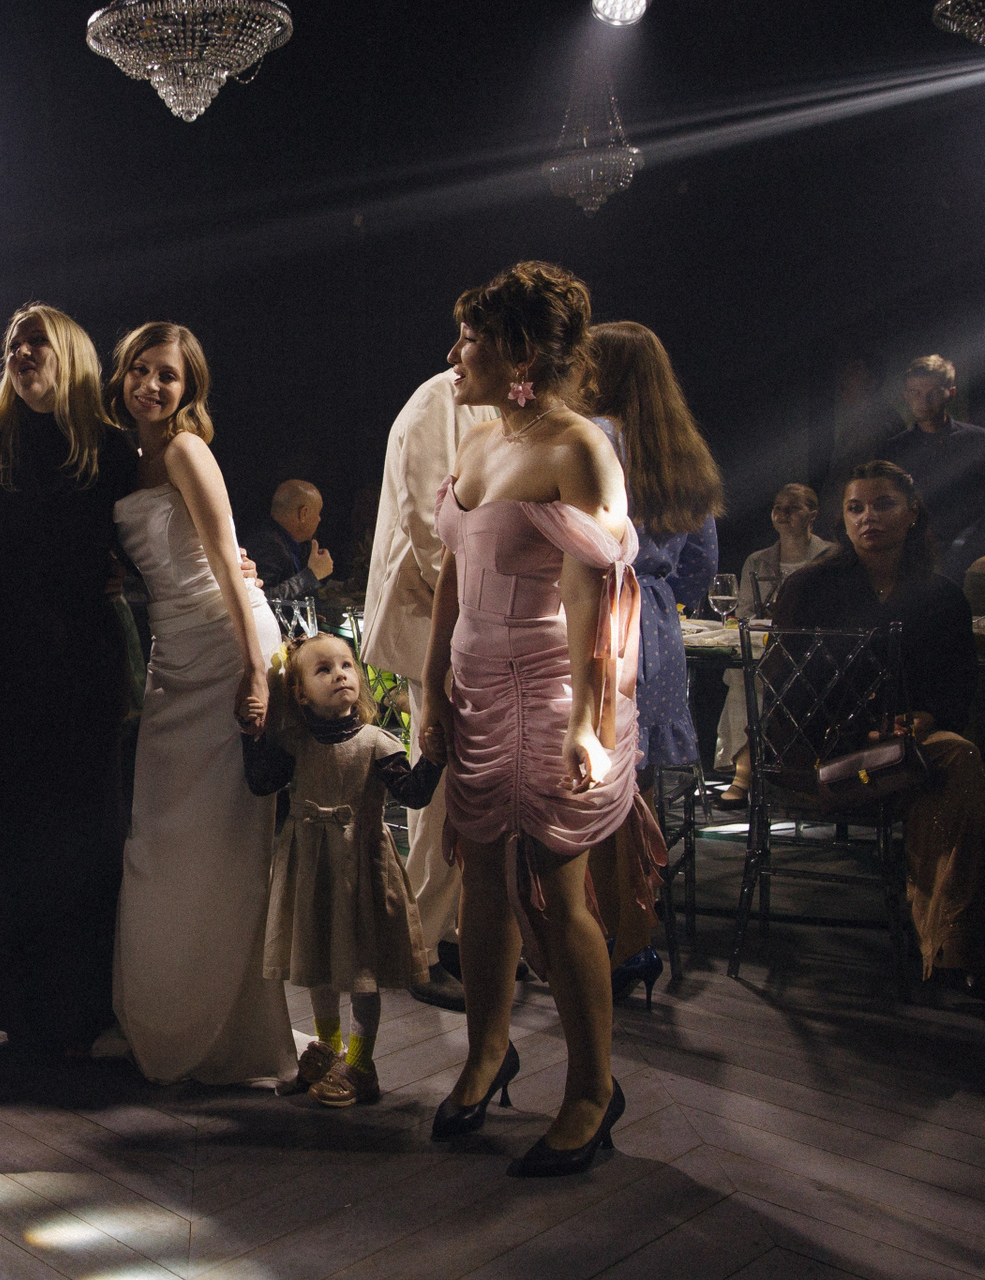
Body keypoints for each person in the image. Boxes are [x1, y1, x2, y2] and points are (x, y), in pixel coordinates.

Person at [415, 262, 665, 1178]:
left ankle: (593, 1089)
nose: (454, 356)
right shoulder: (482, 443)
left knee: (560, 894)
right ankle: (490, 1051)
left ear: (518, 352)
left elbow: (596, 595)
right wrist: (433, 683)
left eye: (470, 340)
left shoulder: (578, 448)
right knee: (480, 879)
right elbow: (453, 567)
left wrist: (588, 723)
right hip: (478, 688)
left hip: (551, 692)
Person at [0, 304, 138, 1061]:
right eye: (13, 343)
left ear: (71, 355)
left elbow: (149, 545)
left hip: (82, 656)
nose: (21, 353)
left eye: (37, 342)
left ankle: (71, 1009)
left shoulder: (110, 451)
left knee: (80, 833)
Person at [110, 321, 296, 1086]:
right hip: (171, 656)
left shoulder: (188, 450)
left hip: (225, 648)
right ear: (121, 376)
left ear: (189, 390)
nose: (152, 386)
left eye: (168, 376)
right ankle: (159, 1016)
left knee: (224, 846)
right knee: (157, 837)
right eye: (141, 370)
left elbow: (225, 557)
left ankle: (229, 1036)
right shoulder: (122, 461)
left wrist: (256, 673)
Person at [773, 460, 982, 987]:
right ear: (842, 521)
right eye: (856, 507)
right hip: (827, 759)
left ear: (912, 514)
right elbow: (785, 691)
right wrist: (860, 730)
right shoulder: (809, 588)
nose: (869, 517)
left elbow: (958, 687)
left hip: (908, 754)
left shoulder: (941, 596)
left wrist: (925, 717)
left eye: (883, 504)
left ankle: (945, 950)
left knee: (955, 760)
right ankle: (947, 947)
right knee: (941, 775)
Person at [242, 633, 440, 1107]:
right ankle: (328, 1050)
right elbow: (261, 783)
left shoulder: (377, 742)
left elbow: (414, 794)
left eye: (347, 666)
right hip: (311, 869)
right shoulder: (295, 743)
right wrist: (253, 735)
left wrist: (433, 758)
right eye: (324, 670)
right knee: (319, 963)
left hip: (361, 871)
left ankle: (361, 1063)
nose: (340, 675)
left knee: (360, 968)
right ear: (300, 693)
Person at [362, 370, 498, 1013]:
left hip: (483, 623)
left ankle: (451, 935)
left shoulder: (499, 406)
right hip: (441, 621)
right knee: (440, 791)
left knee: (461, 788)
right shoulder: (435, 402)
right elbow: (429, 527)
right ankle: (414, 942)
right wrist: (487, 610)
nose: (457, 352)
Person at [586, 321, 723, 784]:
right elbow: (702, 562)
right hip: (657, 624)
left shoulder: (592, 438)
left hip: (598, 614)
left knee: (594, 776)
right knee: (641, 783)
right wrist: (659, 597)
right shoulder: (683, 451)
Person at [713, 484, 833, 809]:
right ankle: (745, 773)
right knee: (742, 675)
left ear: (812, 514)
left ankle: (779, 774)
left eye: (792, 507)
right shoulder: (758, 560)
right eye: (777, 507)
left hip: (813, 651)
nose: (782, 514)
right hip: (767, 645)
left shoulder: (829, 557)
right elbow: (745, 613)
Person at [878, 355, 985, 579]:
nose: (924, 401)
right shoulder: (894, 449)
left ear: (951, 393)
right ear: (906, 395)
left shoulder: (977, 441)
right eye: (916, 393)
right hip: (913, 551)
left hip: (972, 551)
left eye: (933, 393)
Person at [244, 480, 334, 604]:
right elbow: (262, 600)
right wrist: (312, 574)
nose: (319, 519)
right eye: (318, 513)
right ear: (304, 513)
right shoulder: (267, 544)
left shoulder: (296, 544)